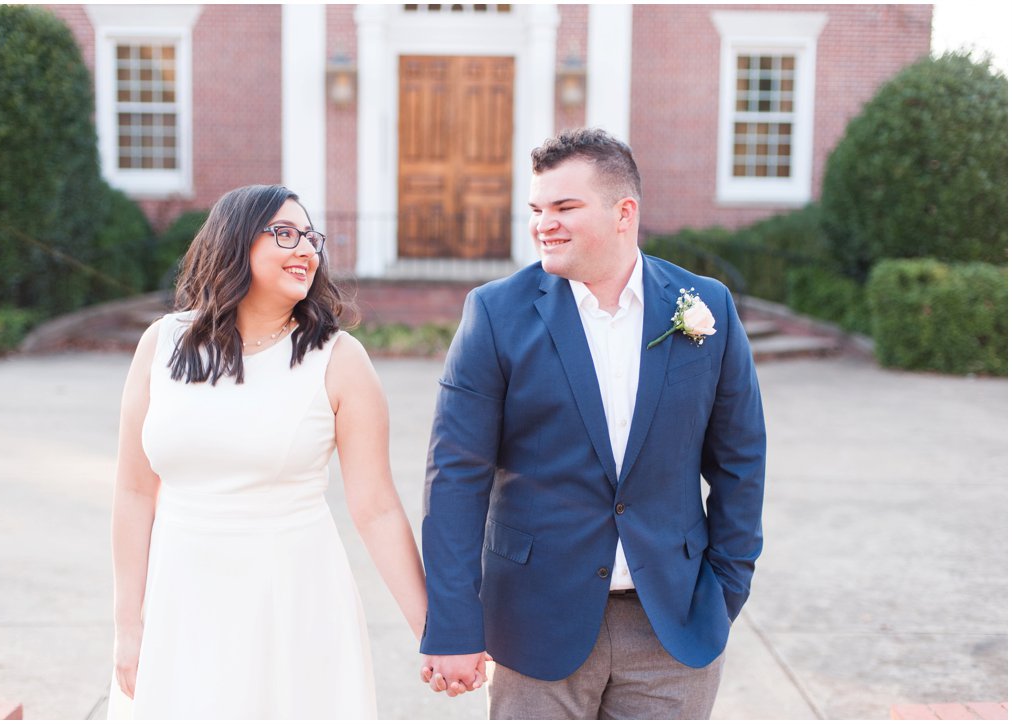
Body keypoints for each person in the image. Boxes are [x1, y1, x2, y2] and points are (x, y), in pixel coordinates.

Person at [418, 128, 766, 719]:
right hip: (533, 624)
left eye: (564, 207)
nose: (543, 224)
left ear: (624, 212)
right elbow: (455, 476)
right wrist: (453, 624)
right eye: (537, 209)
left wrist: (725, 589)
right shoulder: (495, 314)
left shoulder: (706, 305)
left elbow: (740, 460)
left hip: (673, 629)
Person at [108, 184, 427, 718]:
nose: (306, 248)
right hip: (181, 600)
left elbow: (375, 506)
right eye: (285, 233)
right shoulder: (162, 344)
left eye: (311, 237)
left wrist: (433, 630)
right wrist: (127, 625)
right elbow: (134, 491)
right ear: (234, 243)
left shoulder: (340, 359)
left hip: (293, 604)